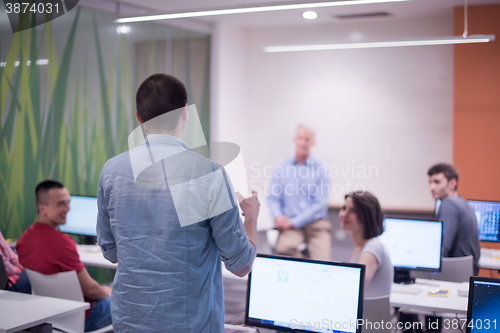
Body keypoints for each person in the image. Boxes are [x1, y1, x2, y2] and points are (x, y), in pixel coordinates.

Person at [97, 73, 258, 332]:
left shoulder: (112, 171)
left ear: (139, 117)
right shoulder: (208, 174)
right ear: (186, 112)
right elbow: (241, 266)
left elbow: (111, 252)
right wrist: (251, 217)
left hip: (129, 322)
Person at [17, 180, 112, 332]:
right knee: (126, 297)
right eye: (61, 204)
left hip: (49, 316)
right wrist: (108, 291)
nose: (68, 208)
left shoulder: (24, 239)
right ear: (42, 208)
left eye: (68, 202)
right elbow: (92, 291)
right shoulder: (62, 242)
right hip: (84, 315)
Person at [267, 126, 331, 260]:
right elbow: (273, 198)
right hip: (290, 226)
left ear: (312, 142)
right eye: (300, 138)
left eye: (307, 139)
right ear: (295, 140)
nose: (303, 143)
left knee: (324, 262)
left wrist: (294, 221)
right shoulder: (281, 168)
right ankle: (304, 269)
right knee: (283, 249)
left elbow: (320, 204)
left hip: (316, 226)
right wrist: (278, 216)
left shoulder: (321, 170)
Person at [428, 163, 480, 274]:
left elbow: (443, 248)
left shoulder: (449, 204)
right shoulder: (462, 202)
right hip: (468, 270)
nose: (432, 187)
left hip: (456, 272)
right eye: (430, 182)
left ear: (452, 183)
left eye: (437, 182)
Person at [338, 191, 393, 298]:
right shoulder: (361, 247)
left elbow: (354, 286)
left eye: (353, 211)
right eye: (344, 208)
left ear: (367, 216)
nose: (344, 214)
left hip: (369, 315)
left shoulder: (373, 247)